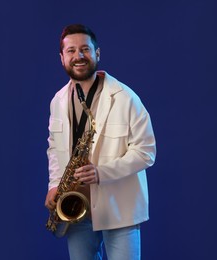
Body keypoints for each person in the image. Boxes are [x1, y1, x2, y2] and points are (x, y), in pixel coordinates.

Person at [44, 24, 156, 260]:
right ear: (62, 58)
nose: (79, 56)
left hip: (118, 208)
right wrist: (54, 184)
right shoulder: (58, 101)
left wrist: (102, 173)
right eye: (71, 51)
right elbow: (55, 148)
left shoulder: (125, 98)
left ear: (97, 54)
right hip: (75, 207)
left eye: (85, 49)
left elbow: (146, 152)